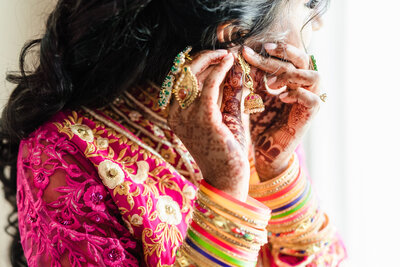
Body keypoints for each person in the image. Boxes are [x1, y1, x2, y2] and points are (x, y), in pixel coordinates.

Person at [0, 0, 347, 266]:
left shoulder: (255, 113)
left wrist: (279, 167)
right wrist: (225, 188)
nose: (317, 20)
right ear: (233, 30)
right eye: (310, 4)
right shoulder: (63, 153)